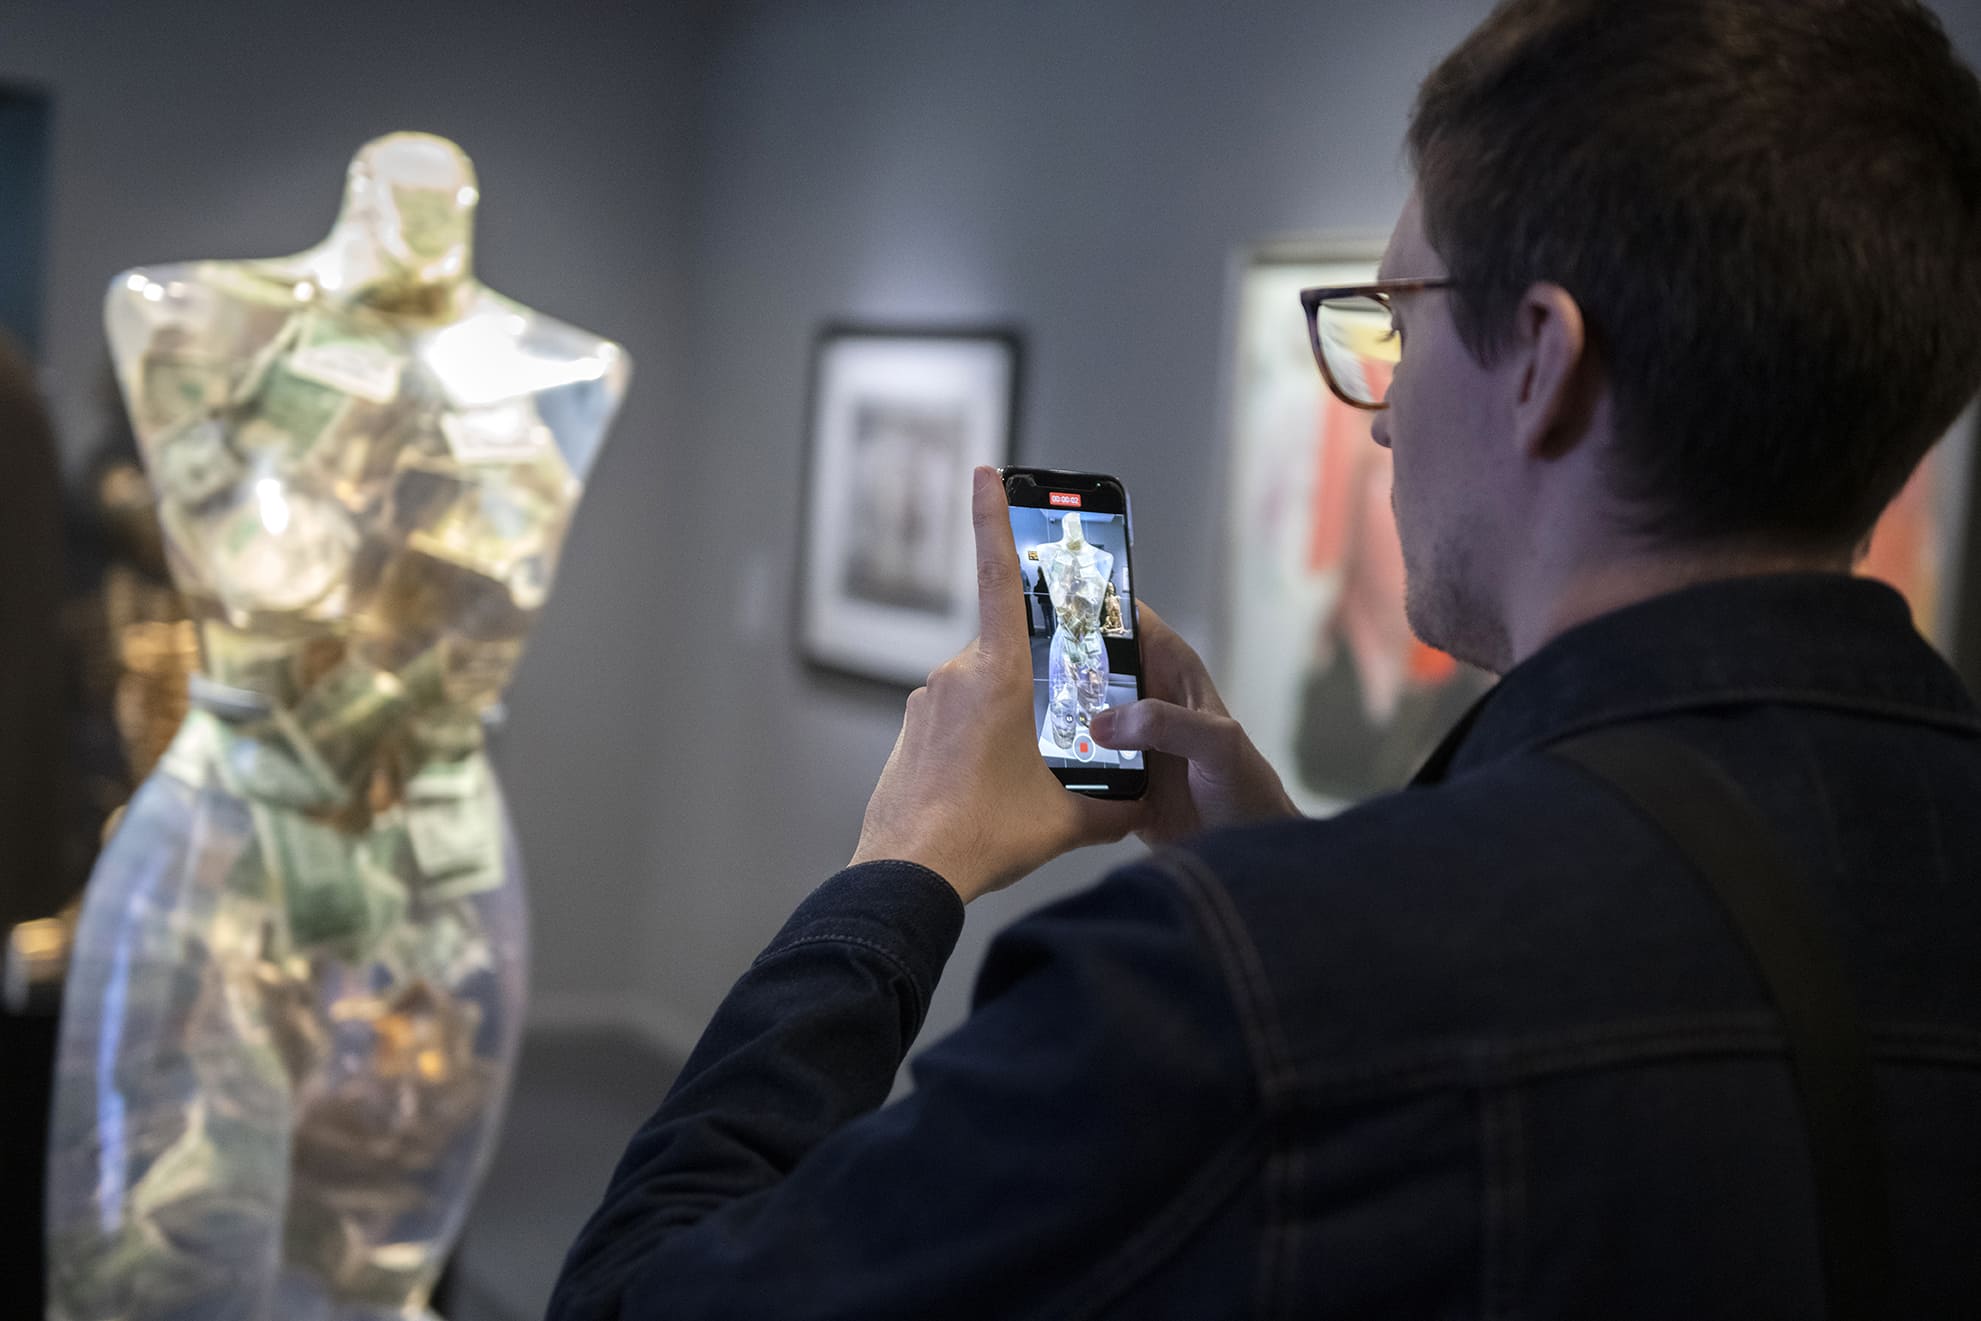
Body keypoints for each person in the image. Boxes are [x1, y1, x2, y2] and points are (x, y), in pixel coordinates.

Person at [549, 0, 1981, 1315]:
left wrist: (898, 874)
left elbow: (642, 1297)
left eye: (1395, 323)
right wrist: (1297, 868)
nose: (1375, 412)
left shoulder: (1242, 990)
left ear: (1542, 360)